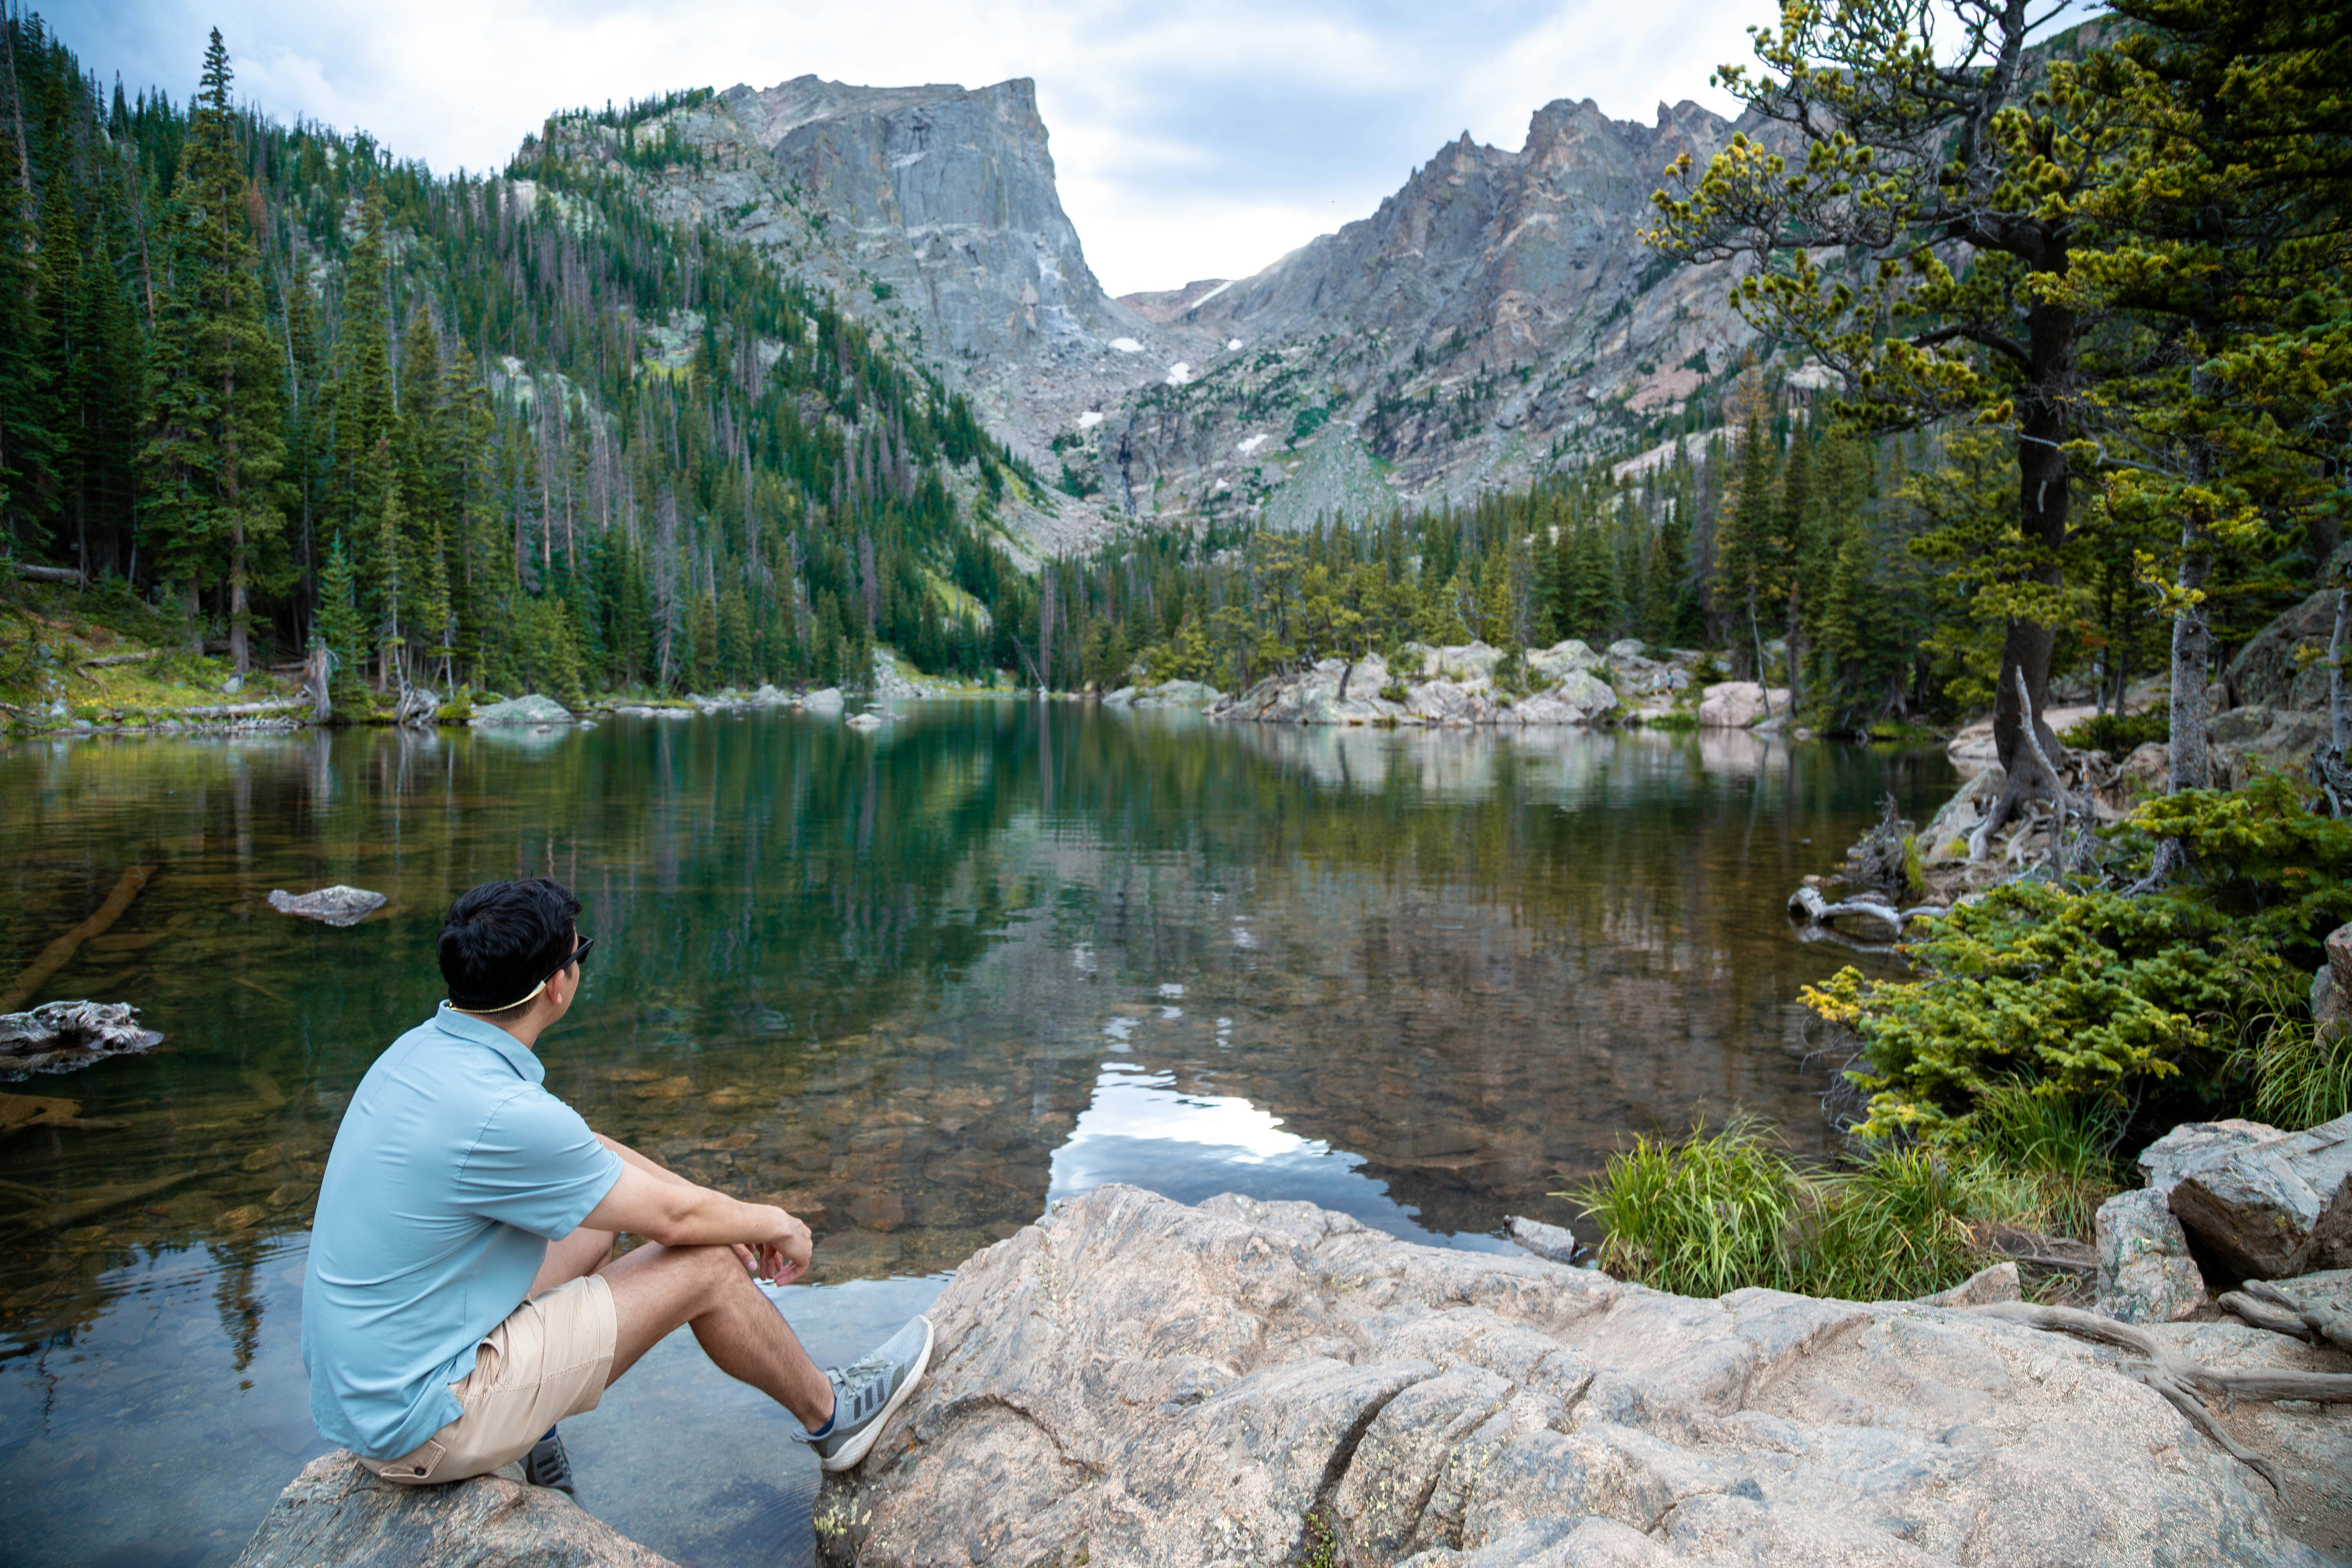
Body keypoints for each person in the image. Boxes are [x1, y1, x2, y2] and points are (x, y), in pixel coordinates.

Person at [301, 876, 931, 1494]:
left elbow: (590, 1155)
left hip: (374, 1391)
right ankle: (835, 1418)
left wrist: (729, 1212)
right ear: (556, 985)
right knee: (707, 1265)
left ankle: (532, 1430)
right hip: (424, 1423)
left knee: (594, 1220)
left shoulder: (425, 1052)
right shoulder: (503, 1113)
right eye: (582, 952)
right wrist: (775, 1224)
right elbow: (676, 1225)